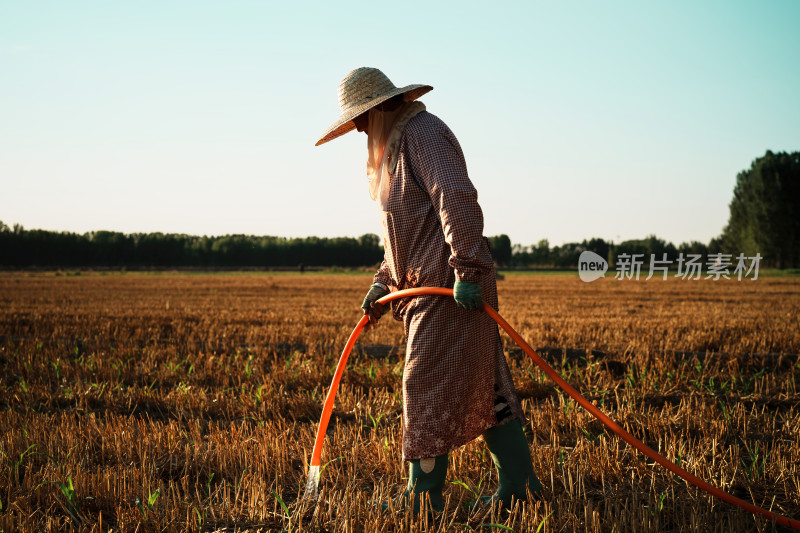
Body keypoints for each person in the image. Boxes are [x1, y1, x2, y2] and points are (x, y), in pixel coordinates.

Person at [315, 67, 541, 513]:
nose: (358, 128)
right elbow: (405, 235)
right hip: (425, 288)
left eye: (360, 117)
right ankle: (520, 486)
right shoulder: (395, 148)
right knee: (486, 383)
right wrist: (382, 283)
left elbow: (454, 196)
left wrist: (468, 269)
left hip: (449, 287)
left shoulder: (424, 134)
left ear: (382, 106)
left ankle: (424, 498)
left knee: (421, 385)